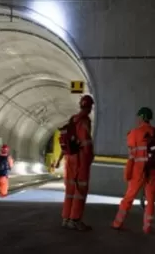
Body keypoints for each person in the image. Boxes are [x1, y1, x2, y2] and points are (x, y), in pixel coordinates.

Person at [111, 107, 155, 234]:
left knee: (128, 198)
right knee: (151, 199)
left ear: (140, 117)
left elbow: (131, 157)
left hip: (138, 171)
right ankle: (147, 227)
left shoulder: (134, 133)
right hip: (154, 171)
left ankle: (117, 223)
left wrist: (127, 173)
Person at [61, 95, 95, 231]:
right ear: (90, 107)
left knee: (70, 190)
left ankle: (66, 218)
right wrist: (89, 158)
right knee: (80, 190)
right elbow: (85, 141)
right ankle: (75, 220)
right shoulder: (85, 120)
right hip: (81, 159)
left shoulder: (72, 119)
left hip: (70, 159)